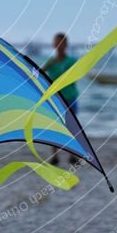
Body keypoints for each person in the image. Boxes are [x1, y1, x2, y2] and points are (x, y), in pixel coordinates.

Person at [42, 32, 79, 167]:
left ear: (66, 45)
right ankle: (54, 156)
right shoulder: (51, 61)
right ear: (53, 44)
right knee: (53, 127)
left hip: (70, 97)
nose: (59, 45)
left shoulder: (71, 61)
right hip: (55, 99)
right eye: (56, 42)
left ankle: (73, 155)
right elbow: (39, 73)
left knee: (72, 127)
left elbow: (77, 75)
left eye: (62, 43)